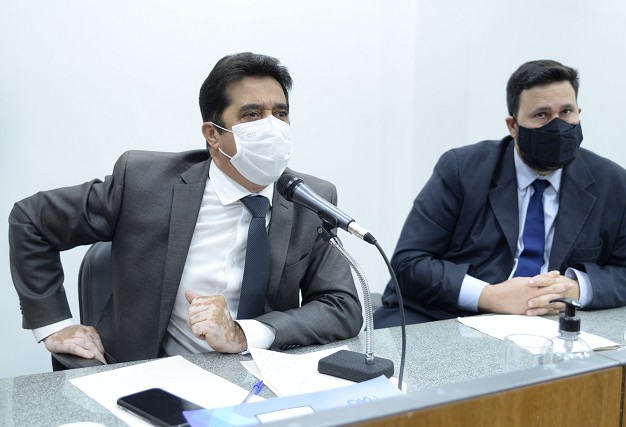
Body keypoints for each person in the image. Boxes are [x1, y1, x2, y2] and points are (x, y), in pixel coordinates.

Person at [9, 52, 363, 364]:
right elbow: (31, 221)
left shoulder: (310, 199)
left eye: (280, 113)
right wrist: (53, 325)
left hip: (262, 381)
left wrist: (245, 334)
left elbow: (342, 307)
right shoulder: (144, 183)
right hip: (151, 379)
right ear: (212, 134)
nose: (271, 127)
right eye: (252, 114)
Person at [374, 59, 626, 328]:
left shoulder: (616, 185)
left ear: (578, 113)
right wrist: (489, 296)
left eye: (566, 112)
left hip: (551, 327)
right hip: (446, 317)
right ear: (512, 126)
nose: (557, 125)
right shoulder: (462, 169)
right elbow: (409, 263)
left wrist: (577, 288)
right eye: (541, 115)